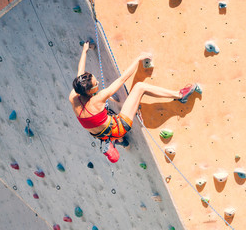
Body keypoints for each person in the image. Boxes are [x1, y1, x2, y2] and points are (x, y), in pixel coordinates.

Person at [69, 42, 201, 163]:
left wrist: (84, 51)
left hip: (101, 134)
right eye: (96, 83)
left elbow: (79, 74)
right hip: (119, 127)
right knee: (139, 87)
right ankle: (179, 95)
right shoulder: (98, 99)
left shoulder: (73, 96)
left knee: (104, 122)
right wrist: (138, 59)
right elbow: (122, 79)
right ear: (89, 91)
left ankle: (120, 141)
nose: (98, 83)